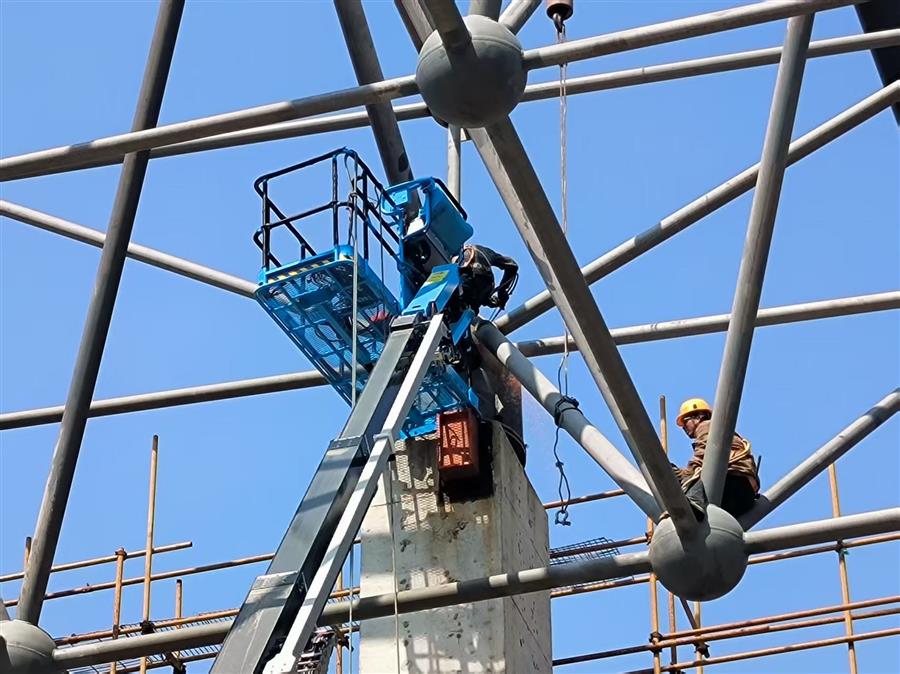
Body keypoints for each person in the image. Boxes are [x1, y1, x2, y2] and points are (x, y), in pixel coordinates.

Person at [674, 397, 760, 519]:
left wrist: (674, 473)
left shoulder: (706, 426)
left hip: (731, 483)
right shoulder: (718, 430)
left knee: (693, 492)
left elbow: (702, 457)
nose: (684, 428)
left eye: (685, 421)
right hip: (745, 496)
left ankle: (694, 505)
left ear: (698, 417)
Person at [453, 243, 518, 313]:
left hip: (471, 284)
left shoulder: (474, 251)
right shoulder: (479, 250)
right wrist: (502, 292)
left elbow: (512, 265)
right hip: (481, 285)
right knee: (467, 307)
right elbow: (512, 265)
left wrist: (501, 292)